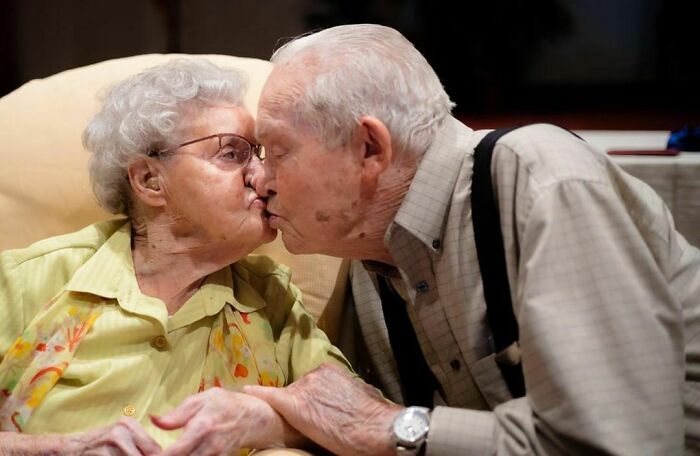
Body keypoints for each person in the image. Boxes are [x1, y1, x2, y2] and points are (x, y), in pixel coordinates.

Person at [243, 24, 700, 455]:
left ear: (369, 149)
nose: (260, 181)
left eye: (278, 152)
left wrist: (387, 426)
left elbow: (623, 445)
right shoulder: (369, 259)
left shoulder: (541, 180)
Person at [0, 58, 351, 455]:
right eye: (233, 154)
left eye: (262, 156)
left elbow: (355, 422)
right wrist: (60, 447)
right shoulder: (28, 280)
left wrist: (274, 428)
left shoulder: (272, 300)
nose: (263, 176)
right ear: (150, 181)